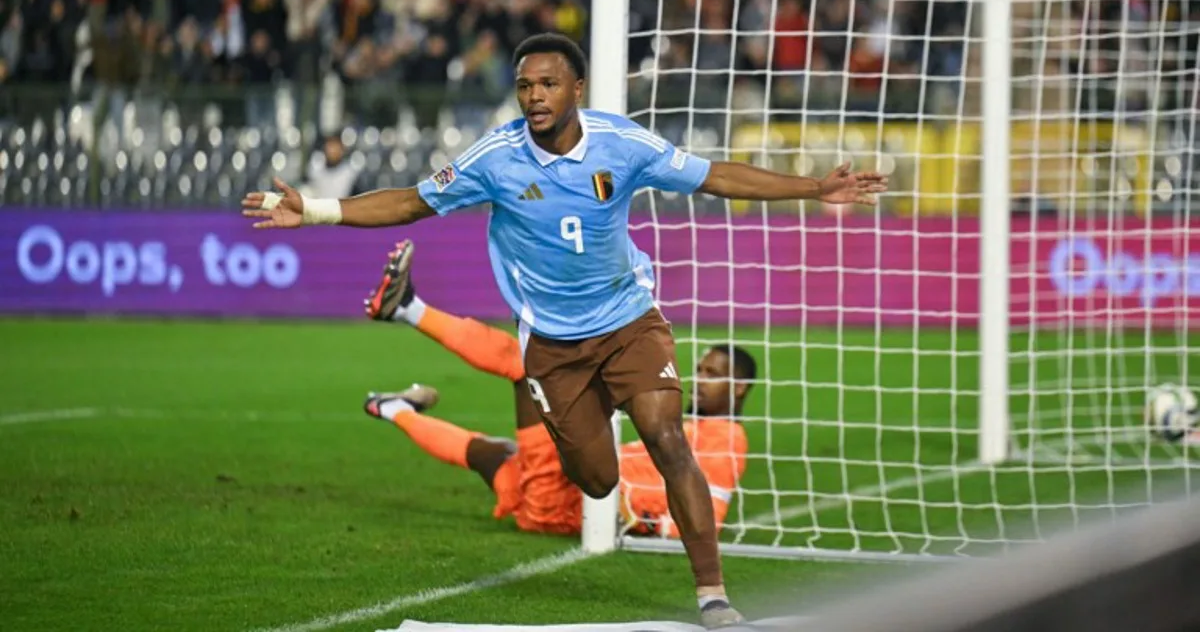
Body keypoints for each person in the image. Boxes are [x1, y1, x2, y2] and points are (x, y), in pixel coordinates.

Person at [242, 32, 888, 628]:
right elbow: (412, 200)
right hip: (553, 345)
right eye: (525, 86)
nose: (534, 97)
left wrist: (813, 188)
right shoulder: (496, 157)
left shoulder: (621, 143)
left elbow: (714, 175)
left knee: (667, 437)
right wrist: (318, 211)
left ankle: (712, 593)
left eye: (547, 84)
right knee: (597, 481)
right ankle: (558, 413)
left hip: (630, 320)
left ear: (576, 88)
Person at [361, 240, 754, 540]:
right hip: (559, 496)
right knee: (491, 451)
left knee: (523, 362)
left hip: (567, 501)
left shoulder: (728, 438)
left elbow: (710, 516)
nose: (699, 379)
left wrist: (645, 524)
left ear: (739, 389)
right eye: (700, 369)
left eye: (712, 374)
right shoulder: (685, 425)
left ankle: (406, 308)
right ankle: (392, 408)